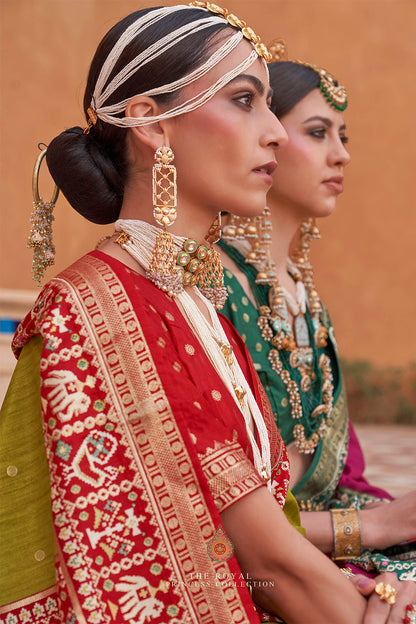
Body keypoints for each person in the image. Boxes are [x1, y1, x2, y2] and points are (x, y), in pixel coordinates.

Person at [0, 5, 413, 623]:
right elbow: (265, 564)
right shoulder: (103, 308)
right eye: (245, 100)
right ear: (152, 125)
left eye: (270, 105)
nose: (273, 131)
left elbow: (267, 538)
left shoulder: (187, 297)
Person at [218, 55, 416, 588]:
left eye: (342, 134)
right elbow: (212, 511)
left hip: (322, 534)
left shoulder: (303, 294)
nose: (342, 154)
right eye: (318, 132)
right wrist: (371, 528)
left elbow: (338, 475)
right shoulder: (214, 288)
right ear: (265, 139)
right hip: (260, 563)